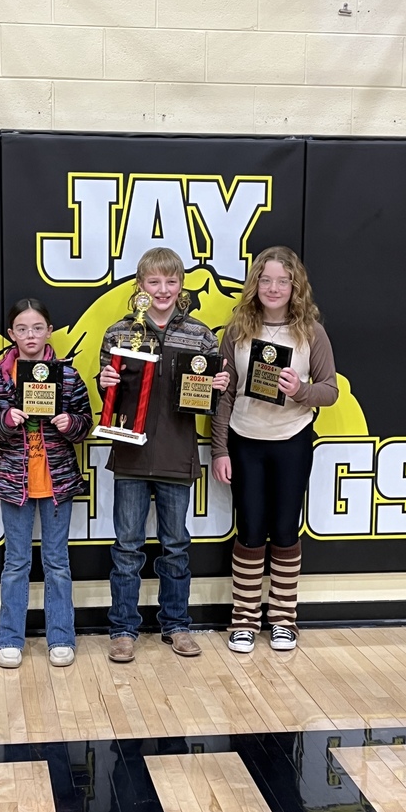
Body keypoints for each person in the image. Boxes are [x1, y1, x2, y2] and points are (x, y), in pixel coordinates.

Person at [99, 247, 230, 662]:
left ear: (181, 286)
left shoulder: (201, 336)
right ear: (140, 286)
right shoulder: (119, 333)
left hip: (177, 454)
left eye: (171, 281)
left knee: (176, 546)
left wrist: (218, 385)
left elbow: (206, 401)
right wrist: (104, 381)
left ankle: (176, 625)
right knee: (127, 547)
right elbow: (108, 392)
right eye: (154, 282)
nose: (163, 289)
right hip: (131, 454)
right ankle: (123, 629)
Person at [211, 246, 338, 653]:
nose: (273, 287)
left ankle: (284, 620)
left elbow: (330, 390)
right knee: (249, 531)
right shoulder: (237, 330)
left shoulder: (311, 332)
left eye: (282, 281)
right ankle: (244, 621)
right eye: (265, 279)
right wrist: (220, 449)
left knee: (284, 530)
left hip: (292, 439)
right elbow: (224, 393)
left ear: (295, 286)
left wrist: (301, 390)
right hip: (245, 439)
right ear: (255, 284)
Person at [0, 298, 92, 669]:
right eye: (22, 329)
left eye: (37, 328)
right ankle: (9, 638)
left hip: (57, 483)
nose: (30, 335)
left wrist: (69, 424)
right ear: (11, 334)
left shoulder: (68, 376)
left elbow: (85, 423)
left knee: (57, 563)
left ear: (49, 331)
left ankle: (62, 637)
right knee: (16, 563)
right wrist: (5, 420)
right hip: (14, 483)